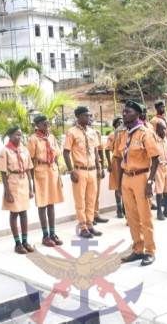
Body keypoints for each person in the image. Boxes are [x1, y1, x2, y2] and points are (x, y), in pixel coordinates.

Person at [115, 101, 160, 266]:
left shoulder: (145, 133)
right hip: (126, 177)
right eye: (124, 111)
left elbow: (155, 159)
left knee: (145, 216)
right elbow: (119, 158)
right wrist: (119, 183)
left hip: (141, 177)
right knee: (131, 216)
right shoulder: (123, 133)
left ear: (137, 114)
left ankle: (150, 250)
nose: (124, 114)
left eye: (128, 111)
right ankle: (138, 249)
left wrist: (150, 181)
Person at [63, 106, 104, 238]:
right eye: (86, 115)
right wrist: (71, 171)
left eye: (89, 115)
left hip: (92, 170)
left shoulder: (92, 132)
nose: (89, 118)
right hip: (80, 171)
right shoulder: (71, 132)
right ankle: (83, 227)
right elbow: (66, 152)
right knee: (80, 201)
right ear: (78, 117)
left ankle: (90, 225)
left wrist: (99, 167)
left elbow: (96, 151)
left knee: (91, 199)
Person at [27, 115, 64, 247]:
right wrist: (31, 182)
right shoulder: (33, 139)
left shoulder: (51, 137)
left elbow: (56, 157)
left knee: (51, 203)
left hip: (52, 171)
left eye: (48, 122)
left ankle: (53, 233)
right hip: (40, 172)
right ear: (37, 125)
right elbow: (30, 161)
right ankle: (45, 235)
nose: (47, 125)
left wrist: (59, 176)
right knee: (42, 204)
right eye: (44, 123)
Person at [0, 126, 35, 254]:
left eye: (20, 135)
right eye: (16, 135)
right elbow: (3, 173)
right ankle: (17, 243)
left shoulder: (24, 150)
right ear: (10, 136)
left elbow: (28, 169)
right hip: (12, 183)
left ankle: (25, 241)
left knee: (24, 213)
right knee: (14, 213)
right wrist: (7, 192)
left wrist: (31, 188)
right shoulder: (5, 151)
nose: (19, 137)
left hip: (24, 182)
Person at [154, 120, 167, 220]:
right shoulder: (154, 141)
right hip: (158, 167)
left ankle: (166, 209)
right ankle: (159, 211)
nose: (164, 131)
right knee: (159, 189)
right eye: (161, 129)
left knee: (166, 189)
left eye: (165, 128)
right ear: (157, 130)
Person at [105, 117, 125, 218]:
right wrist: (109, 164)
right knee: (117, 186)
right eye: (119, 122)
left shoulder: (125, 133)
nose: (121, 124)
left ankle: (125, 208)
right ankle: (119, 209)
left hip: (125, 161)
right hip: (116, 161)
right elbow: (107, 149)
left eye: (122, 122)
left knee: (125, 185)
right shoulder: (112, 134)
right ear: (115, 125)